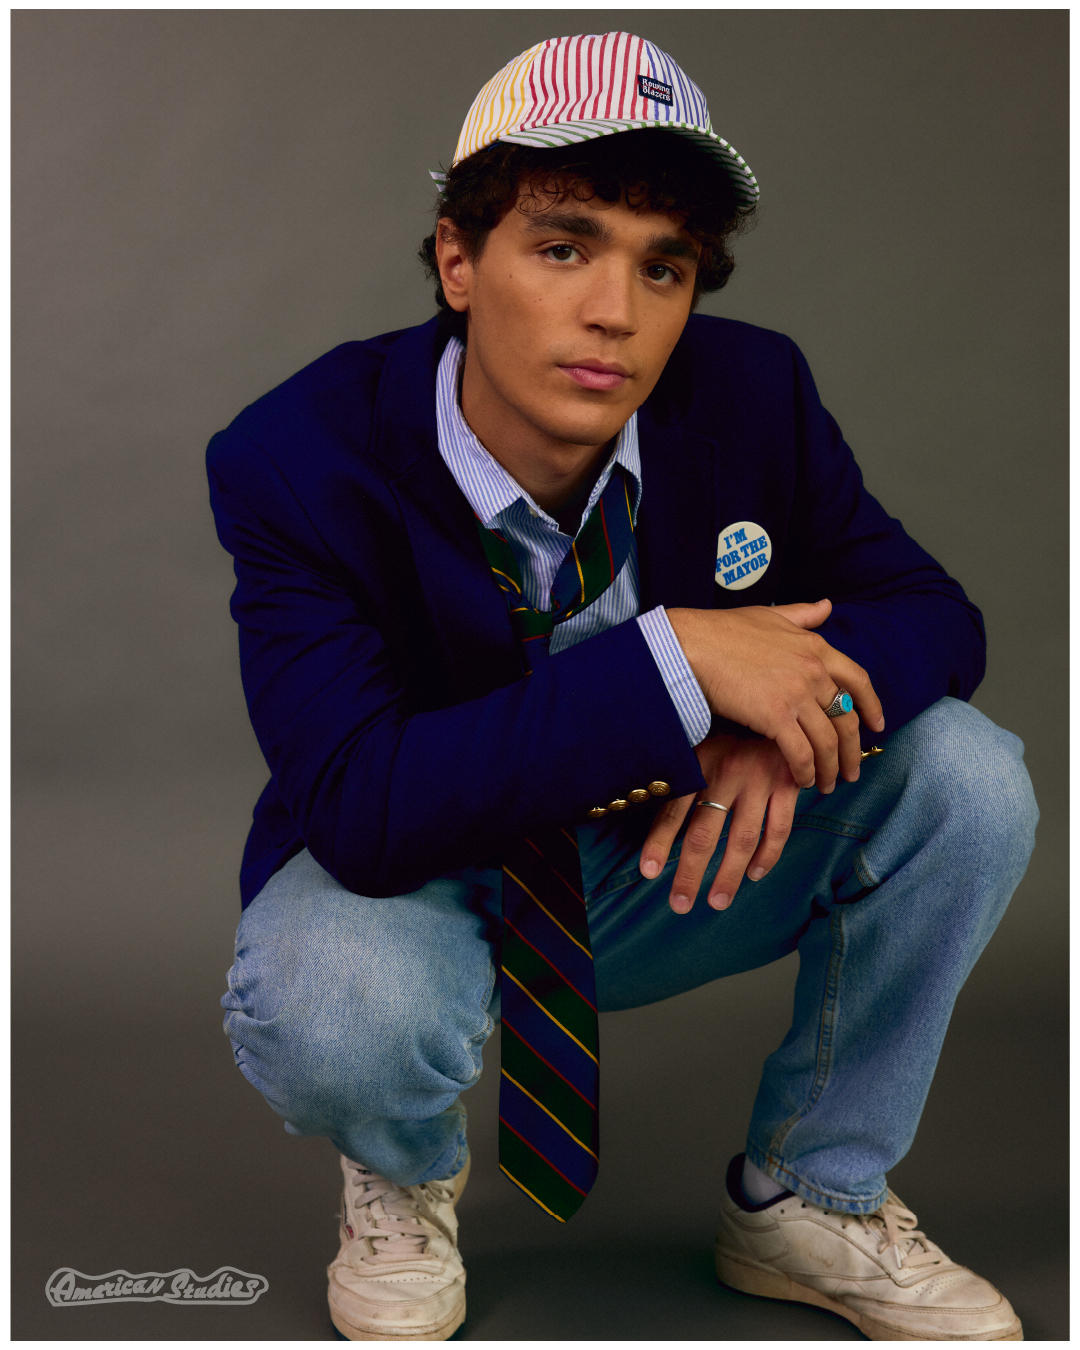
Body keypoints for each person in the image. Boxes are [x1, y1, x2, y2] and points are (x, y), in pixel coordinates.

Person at [207, 32, 1036, 1343]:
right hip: (421, 875)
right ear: (457, 259)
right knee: (331, 1003)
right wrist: (683, 661)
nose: (617, 312)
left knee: (968, 775)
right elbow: (359, 801)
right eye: (563, 248)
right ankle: (402, 1172)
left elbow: (931, 611)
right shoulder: (298, 457)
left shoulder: (752, 389)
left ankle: (810, 1193)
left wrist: (789, 721)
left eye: (665, 267)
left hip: (668, 853)